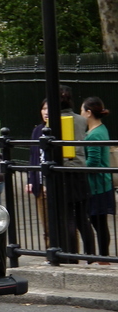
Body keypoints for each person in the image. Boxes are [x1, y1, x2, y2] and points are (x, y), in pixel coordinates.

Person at [60, 85, 95, 257]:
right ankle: (90, 255)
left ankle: (71, 255)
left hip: (64, 172)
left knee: (68, 217)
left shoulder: (54, 121)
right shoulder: (81, 120)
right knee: (82, 217)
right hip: (80, 170)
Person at [81, 96, 114, 262]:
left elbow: (93, 161)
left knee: (98, 222)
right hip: (102, 183)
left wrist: (77, 166)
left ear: (88, 113)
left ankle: (103, 256)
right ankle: (103, 256)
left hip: (96, 186)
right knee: (100, 222)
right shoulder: (101, 130)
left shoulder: (94, 135)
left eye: (82, 110)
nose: (80, 114)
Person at [26, 99, 49, 248]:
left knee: (57, 222)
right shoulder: (37, 130)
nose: (46, 112)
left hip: (52, 184)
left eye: (49, 109)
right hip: (38, 183)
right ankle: (49, 252)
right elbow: (33, 155)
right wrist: (30, 179)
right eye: (44, 109)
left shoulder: (58, 128)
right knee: (45, 222)